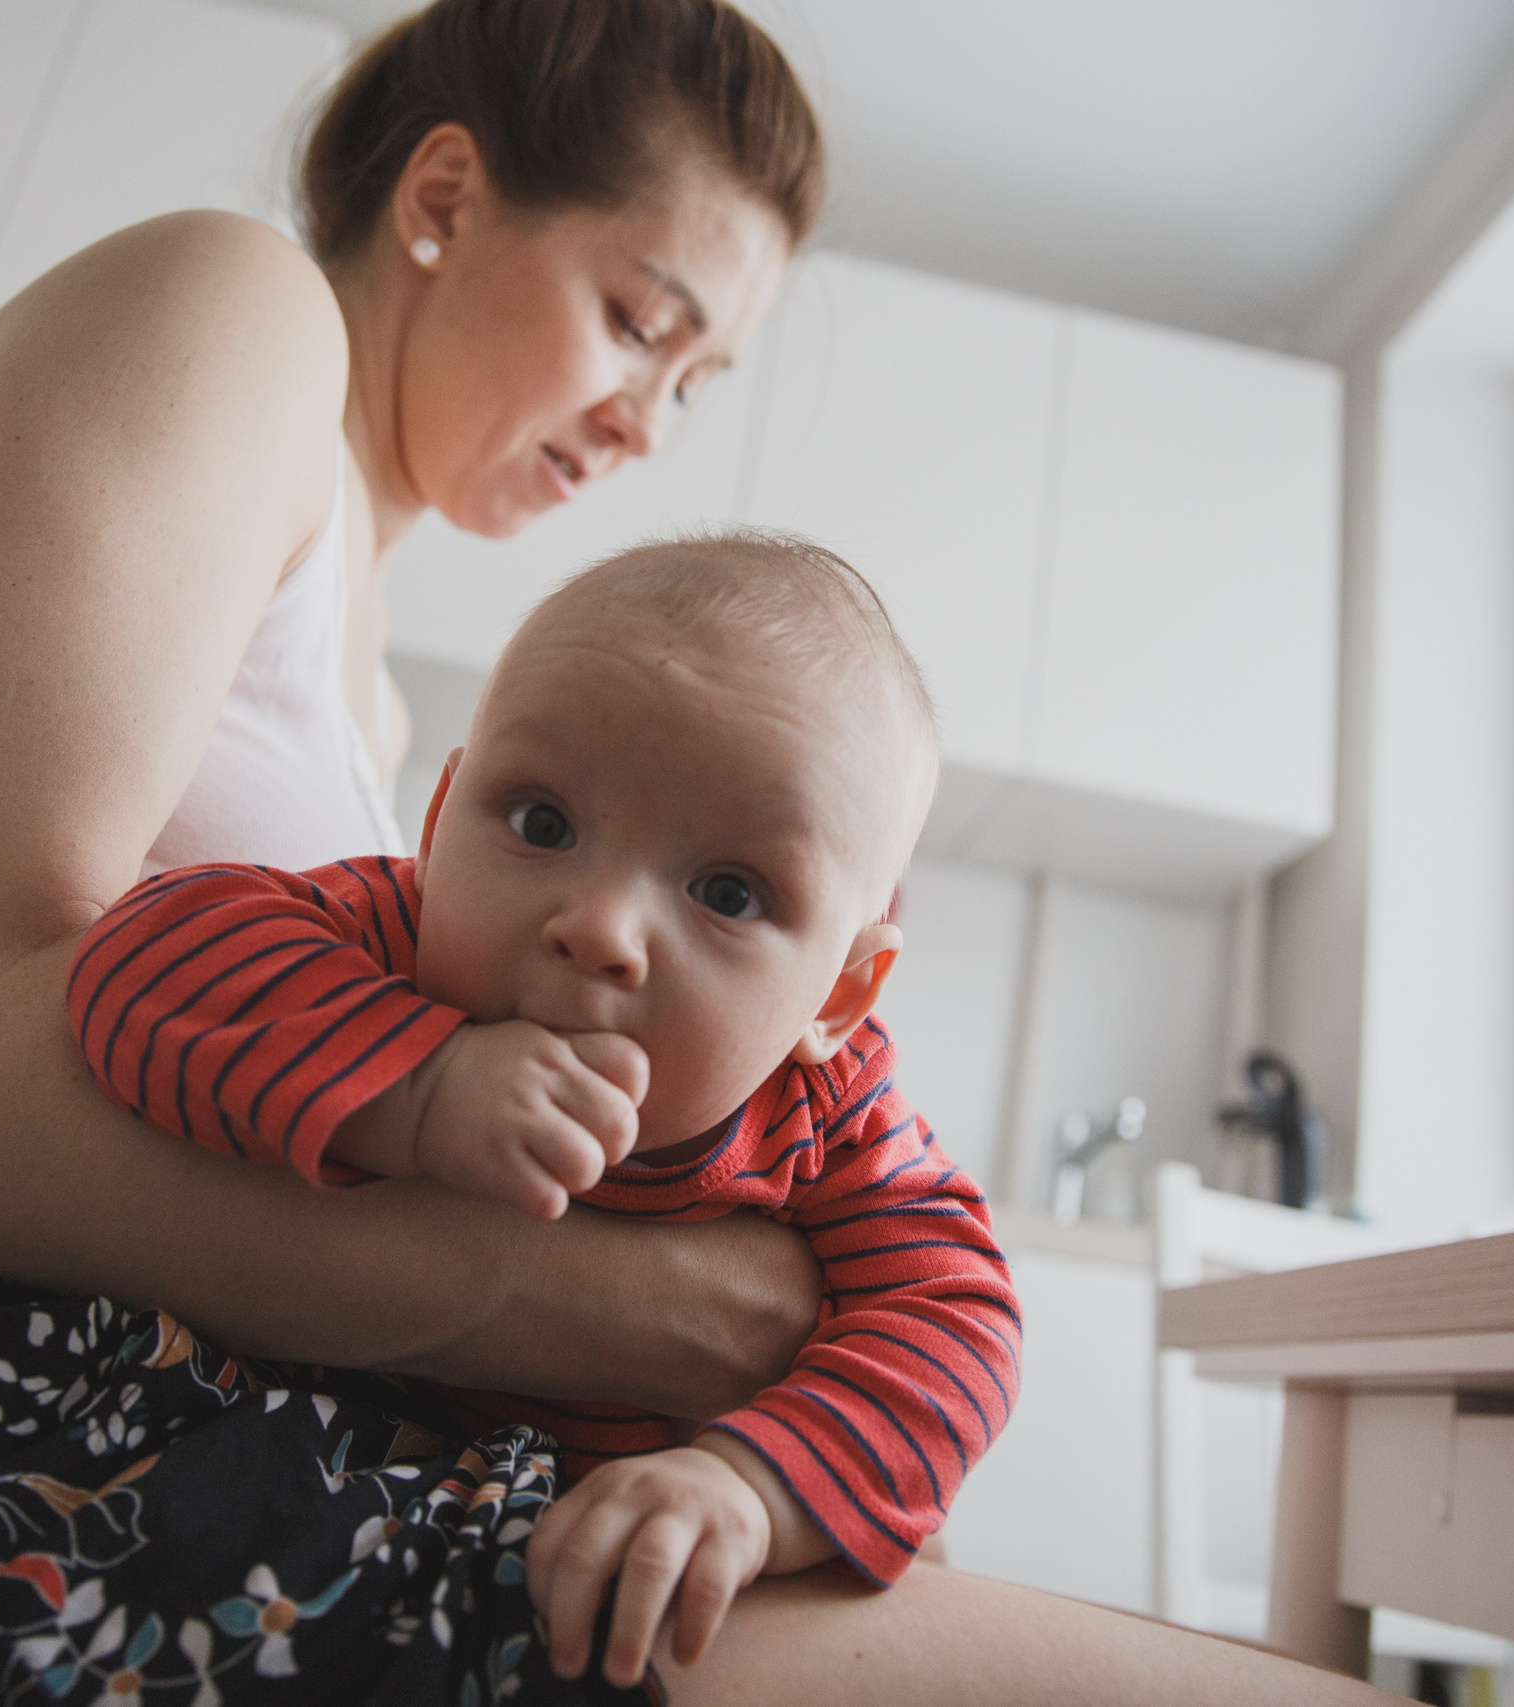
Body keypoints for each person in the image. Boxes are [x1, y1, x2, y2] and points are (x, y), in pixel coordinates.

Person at [0, 0, 1393, 1700]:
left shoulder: (395, 722)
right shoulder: (224, 311)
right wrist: (655, 1316)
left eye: (699, 380)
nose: (650, 421)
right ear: (441, 196)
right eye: (642, 320)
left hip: (201, 1419)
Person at [67, 535, 1013, 1689]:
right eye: (541, 824)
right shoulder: (391, 937)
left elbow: (956, 1320)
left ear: (840, 996)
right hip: (295, 1490)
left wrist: (750, 1488)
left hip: (596, 1561)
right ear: (439, 820)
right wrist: (417, 1083)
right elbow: (136, 959)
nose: (599, 925)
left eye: (727, 893)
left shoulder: (829, 1112)